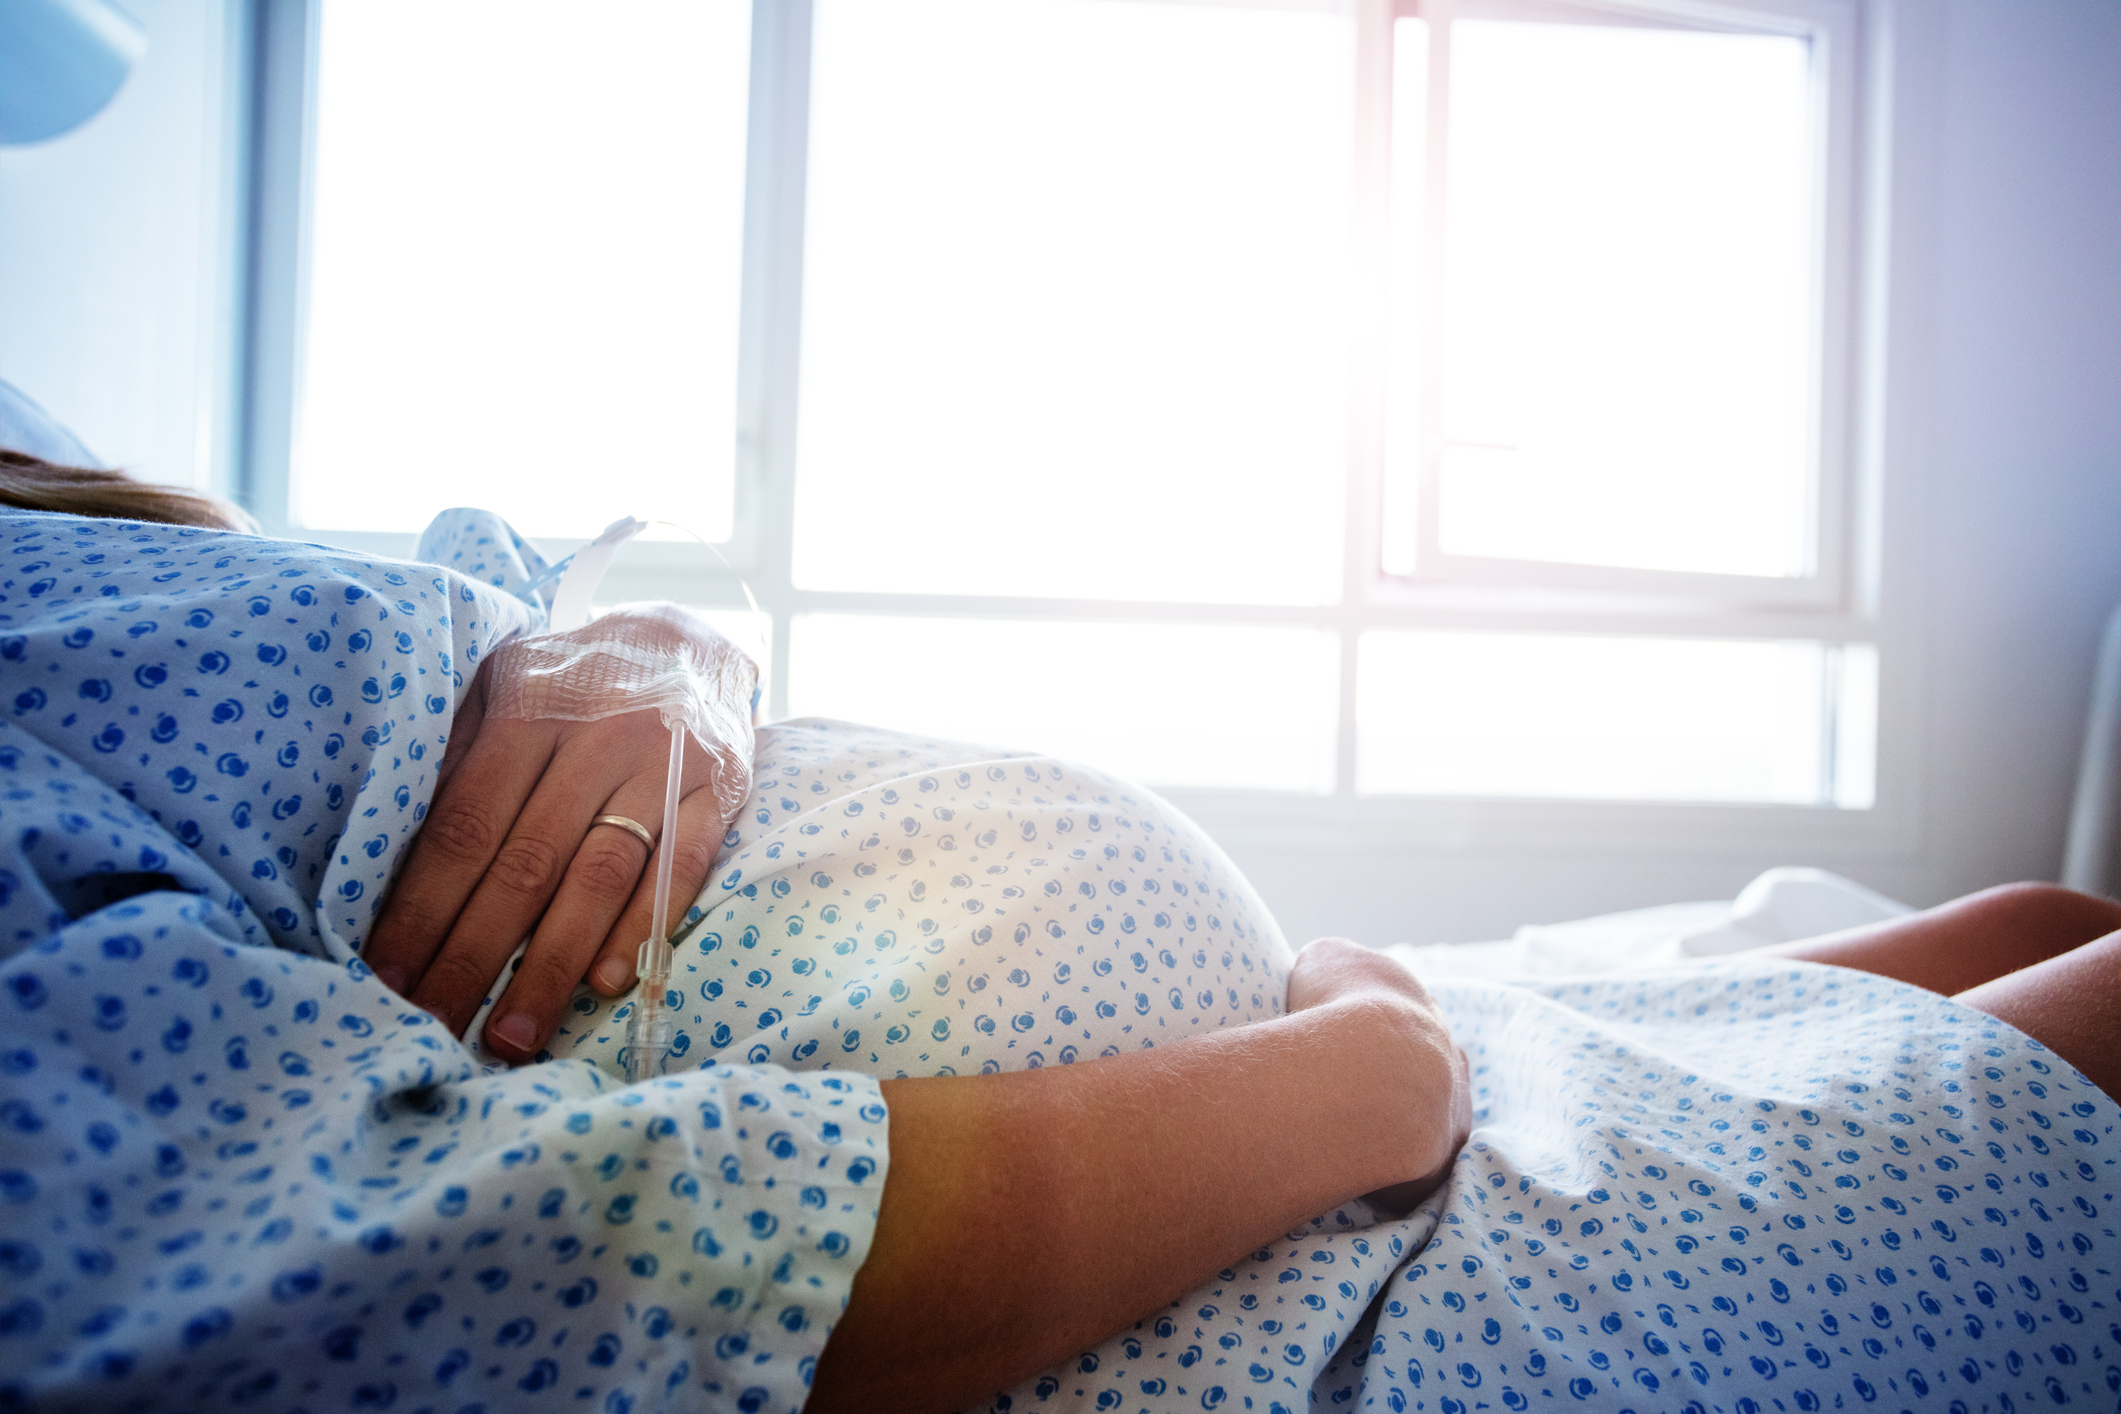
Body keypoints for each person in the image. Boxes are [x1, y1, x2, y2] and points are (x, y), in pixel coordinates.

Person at [0, 457, 2115, 1414]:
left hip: (1342, 1099)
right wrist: (1364, 1079)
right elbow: (556, 1276)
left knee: (2037, 915)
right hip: (1314, 1265)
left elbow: (453, 621)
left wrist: (655, 650)